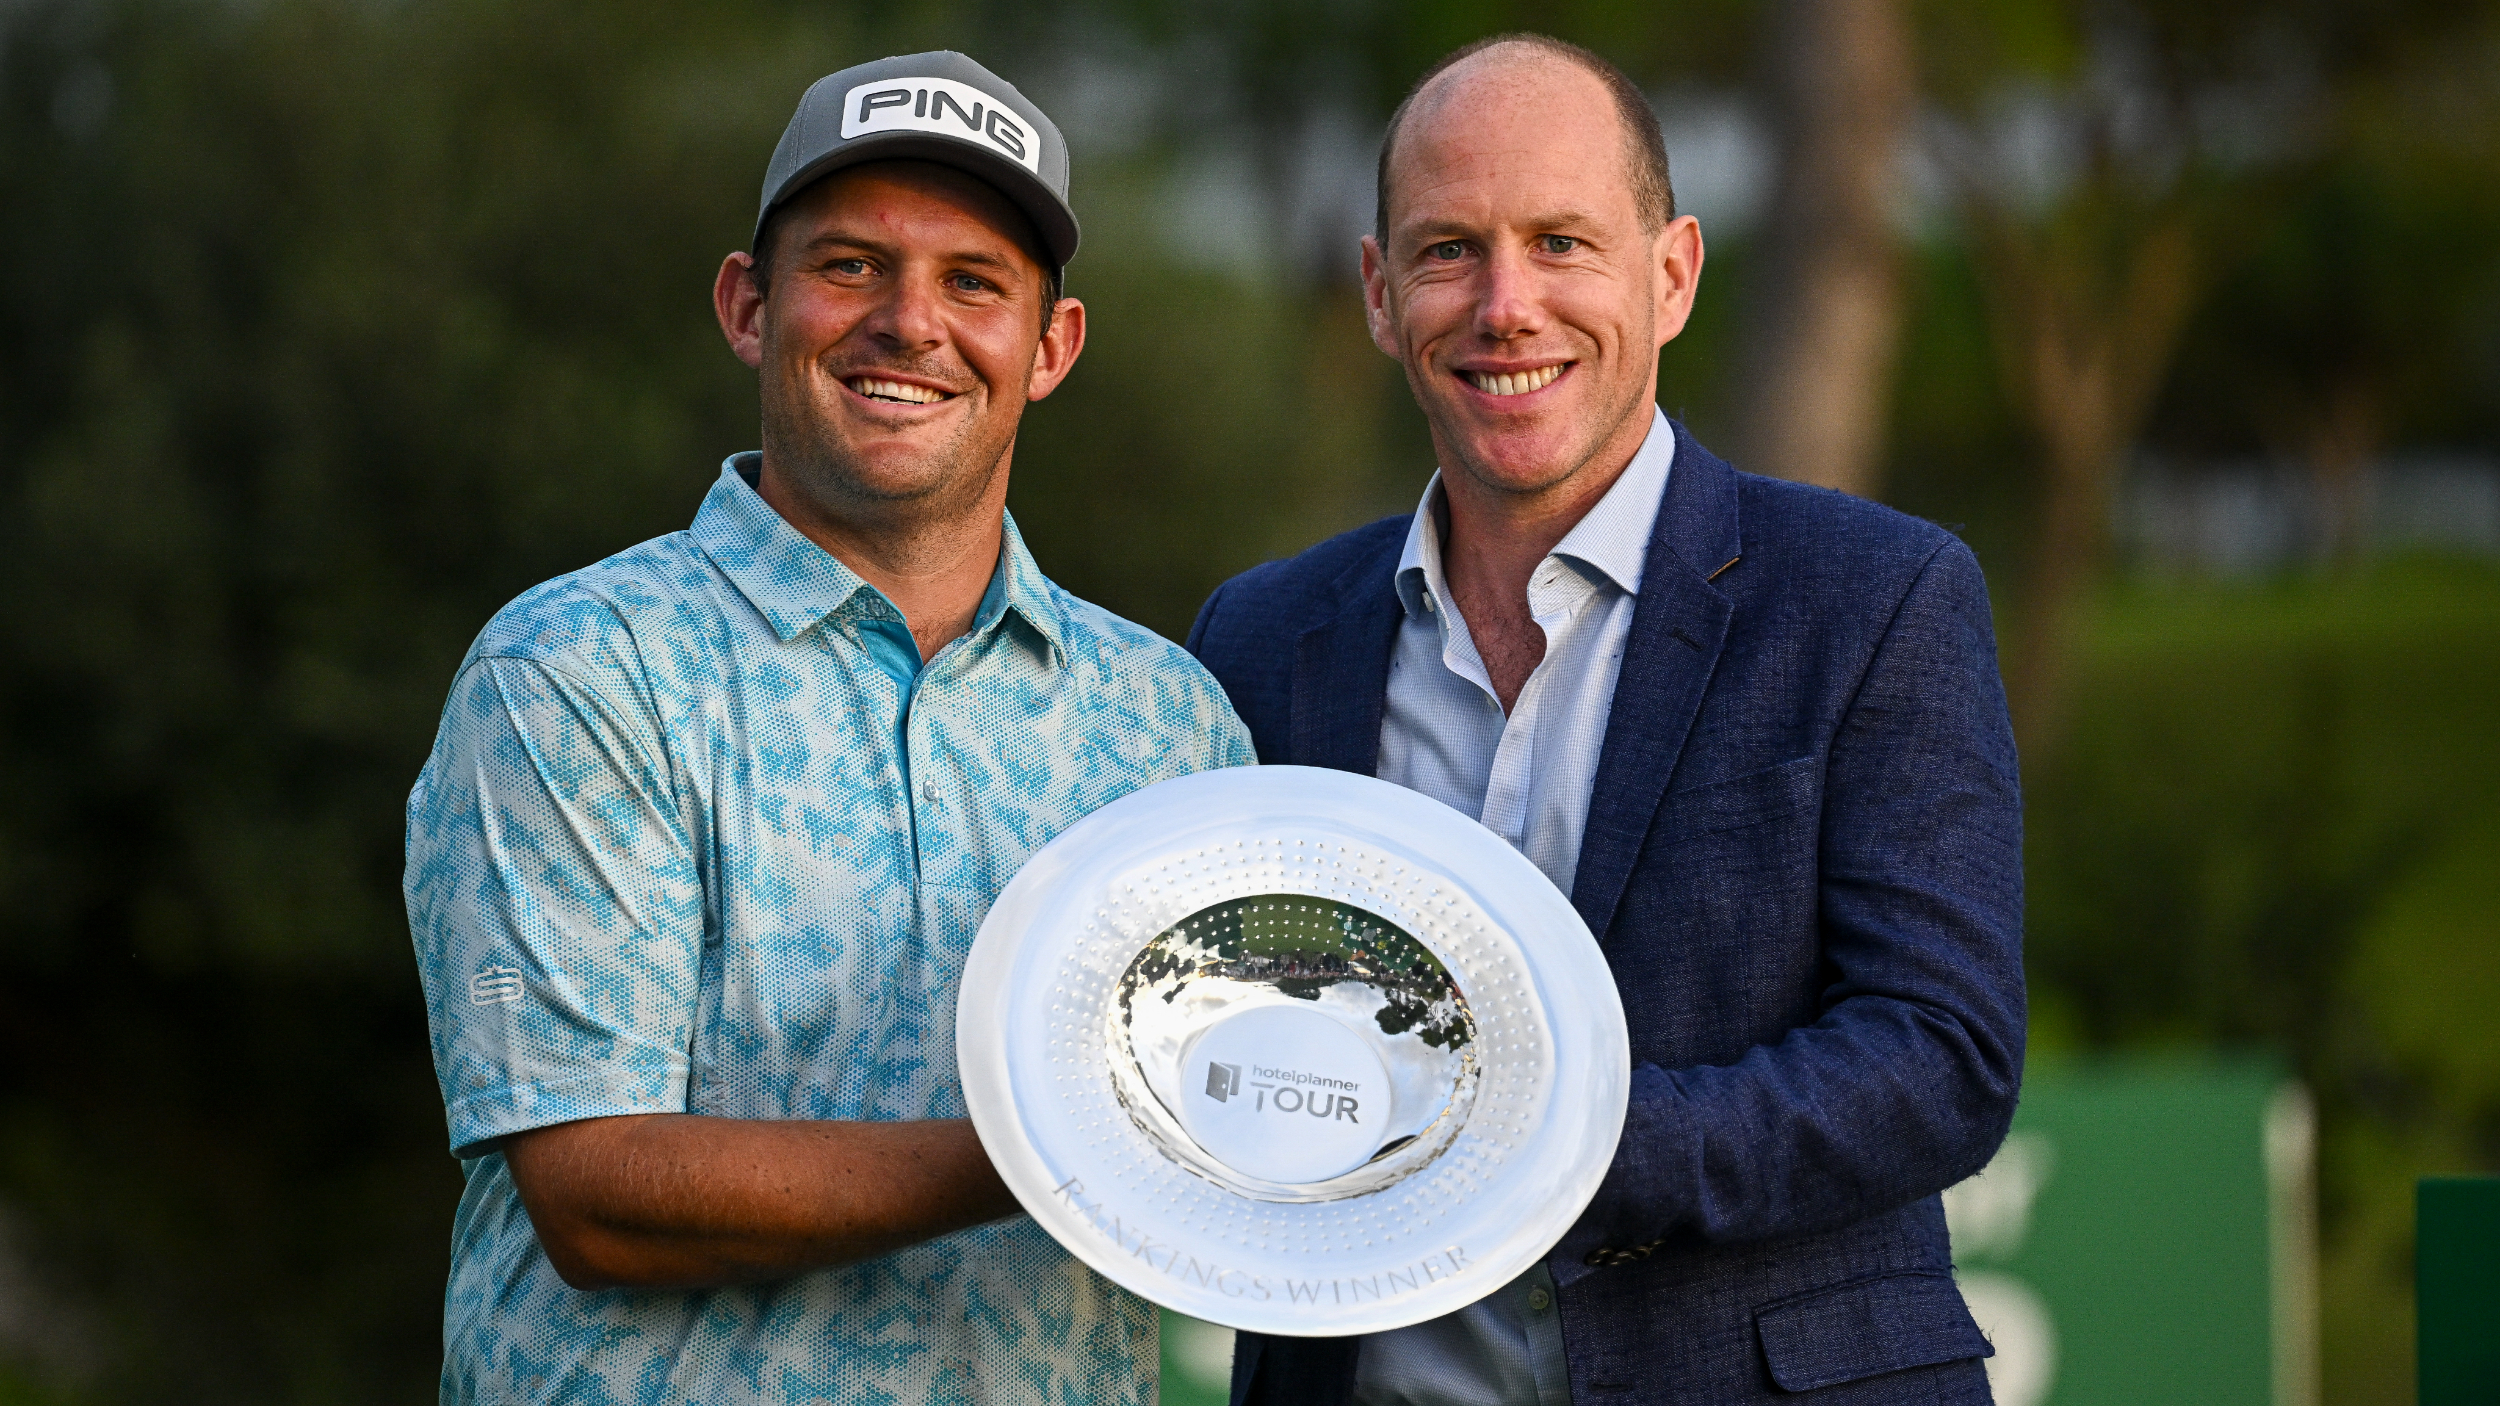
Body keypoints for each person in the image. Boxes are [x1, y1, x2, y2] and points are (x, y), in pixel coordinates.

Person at [1188, 33, 2024, 1406]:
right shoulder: (1264, 638)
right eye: (1450, 249)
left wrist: (1554, 1140)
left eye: (1562, 241)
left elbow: (1942, 1055)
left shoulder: (1877, 598)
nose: (1506, 304)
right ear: (1380, 294)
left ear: (1674, 272)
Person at [404, 51, 1252, 1404]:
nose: (909, 322)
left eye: (973, 281)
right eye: (850, 265)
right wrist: (1063, 1143)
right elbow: (593, 1188)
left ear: (1050, 348)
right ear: (749, 305)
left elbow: (1231, 1147)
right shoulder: (577, 671)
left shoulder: (1171, 726)